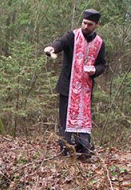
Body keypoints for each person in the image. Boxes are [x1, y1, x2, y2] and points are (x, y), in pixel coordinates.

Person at [44, 9, 107, 159]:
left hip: (85, 90)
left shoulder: (99, 43)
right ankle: (64, 150)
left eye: (90, 24)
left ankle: (83, 150)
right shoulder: (72, 36)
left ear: (96, 25)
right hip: (68, 87)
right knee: (65, 120)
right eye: (84, 23)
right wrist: (53, 48)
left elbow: (102, 65)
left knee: (83, 120)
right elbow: (61, 42)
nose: (86, 26)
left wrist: (94, 71)